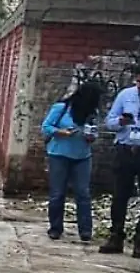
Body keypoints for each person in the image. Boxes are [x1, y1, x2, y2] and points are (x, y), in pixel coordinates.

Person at [99, 65, 140, 258]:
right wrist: (120, 122)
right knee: (120, 194)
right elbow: (109, 121)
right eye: (139, 82)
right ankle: (116, 235)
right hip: (125, 148)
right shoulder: (126, 95)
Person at [39, 79, 104, 242]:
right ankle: (55, 228)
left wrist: (90, 137)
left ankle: (85, 230)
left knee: (83, 193)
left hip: (82, 156)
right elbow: (46, 127)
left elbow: (95, 133)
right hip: (59, 155)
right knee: (57, 193)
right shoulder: (62, 108)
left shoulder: (92, 113)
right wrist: (61, 132)